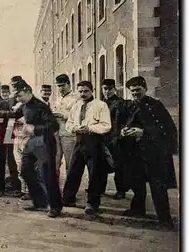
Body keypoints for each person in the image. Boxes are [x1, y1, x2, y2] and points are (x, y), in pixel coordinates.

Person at [119, 76, 177, 228]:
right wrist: (124, 131)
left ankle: (165, 219)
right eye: (132, 92)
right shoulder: (129, 106)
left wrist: (143, 132)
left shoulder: (156, 105)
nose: (135, 94)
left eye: (138, 90)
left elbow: (168, 129)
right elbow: (122, 123)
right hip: (135, 152)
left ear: (145, 88)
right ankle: (138, 209)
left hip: (154, 152)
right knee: (136, 183)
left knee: (158, 186)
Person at [13, 79, 62, 218]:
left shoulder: (41, 106)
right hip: (33, 142)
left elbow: (54, 126)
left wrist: (35, 128)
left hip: (46, 142)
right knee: (25, 170)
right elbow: (12, 114)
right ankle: (40, 201)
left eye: (20, 95)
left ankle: (55, 207)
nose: (18, 98)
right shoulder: (24, 105)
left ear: (28, 91)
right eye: (17, 96)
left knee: (48, 174)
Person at [62, 81, 111, 215]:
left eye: (86, 91)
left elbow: (106, 125)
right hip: (79, 140)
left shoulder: (101, 105)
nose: (83, 94)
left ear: (92, 90)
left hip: (94, 141)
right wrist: (74, 128)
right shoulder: (76, 106)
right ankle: (68, 198)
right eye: (80, 91)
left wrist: (90, 128)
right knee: (73, 171)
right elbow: (69, 123)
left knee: (94, 174)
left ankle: (92, 203)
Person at [53, 74, 80, 178]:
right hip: (56, 134)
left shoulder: (76, 98)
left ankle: (70, 190)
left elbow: (78, 116)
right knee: (55, 162)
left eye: (63, 85)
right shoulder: (58, 98)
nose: (60, 88)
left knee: (71, 163)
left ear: (69, 84)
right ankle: (55, 188)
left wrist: (62, 115)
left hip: (69, 134)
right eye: (58, 86)